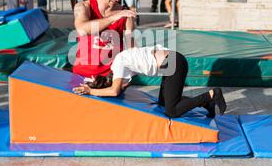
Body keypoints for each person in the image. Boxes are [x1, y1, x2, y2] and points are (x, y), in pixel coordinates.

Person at [73, 46, 227, 119]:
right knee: (163, 102)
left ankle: (212, 95)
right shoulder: (120, 65)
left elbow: (114, 91)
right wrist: (93, 84)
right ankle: (206, 104)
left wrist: (91, 91)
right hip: (171, 62)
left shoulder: (119, 64)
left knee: (171, 111)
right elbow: (119, 87)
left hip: (173, 63)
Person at [73, 0, 136, 78]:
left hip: (111, 75)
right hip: (83, 73)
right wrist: (112, 18)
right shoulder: (84, 7)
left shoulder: (124, 14)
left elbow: (131, 48)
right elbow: (81, 29)